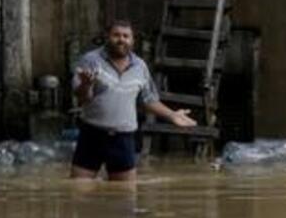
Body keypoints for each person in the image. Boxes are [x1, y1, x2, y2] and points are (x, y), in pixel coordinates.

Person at [71, 20, 196, 181]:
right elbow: (83, 98)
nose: (121, 39)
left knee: (125, 196)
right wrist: (86, 84)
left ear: (132, 41)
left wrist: (171, 115)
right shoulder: (91, 60)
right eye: (116, 35)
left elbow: (148, 100)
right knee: (80, 191)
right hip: (92, 134)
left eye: (126, 36)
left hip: (123, 138)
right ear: (107, 37)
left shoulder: (140, 66)